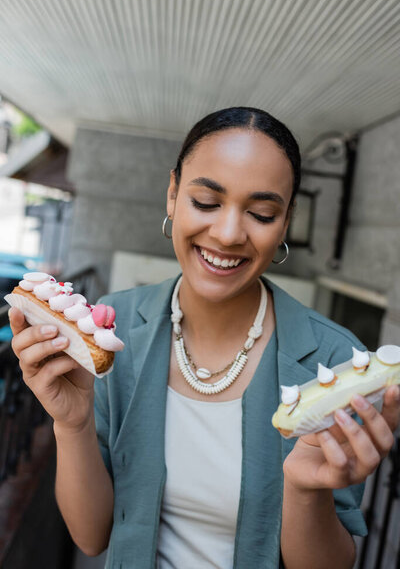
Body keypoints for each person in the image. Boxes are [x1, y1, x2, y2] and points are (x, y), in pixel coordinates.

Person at [9, 107, 400, 569]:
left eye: (261, 212)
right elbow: (92, 537)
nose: (229, 233)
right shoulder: (116, 329)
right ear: (173, 194)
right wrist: (71, 424)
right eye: (206, 203)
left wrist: (305, 490)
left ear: (286, 221)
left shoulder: (337, 362)